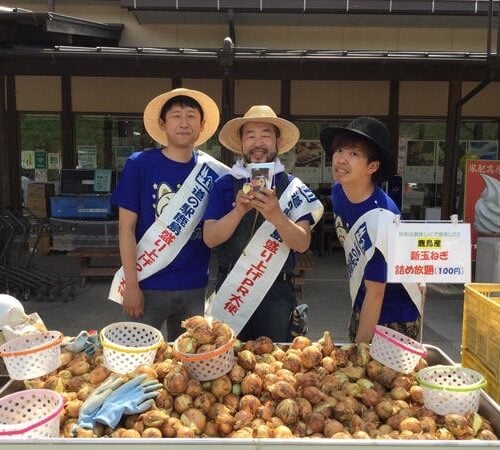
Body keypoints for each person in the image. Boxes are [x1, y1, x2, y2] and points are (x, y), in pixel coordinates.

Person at [108, 88, 229, 341]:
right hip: (147, 282)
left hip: (194, 286)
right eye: (176, 116)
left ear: (202, 124)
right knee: (136, 359)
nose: (184, 123)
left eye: (191, 116)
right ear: (163, 123)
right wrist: (131, 285)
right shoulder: (140, 164)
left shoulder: (212, 172)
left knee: (186, 368)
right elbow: (125, 229)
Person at [203, 105, 323, 341]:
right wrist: (238, 211)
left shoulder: (292, 187)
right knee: (229, 365)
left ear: (277, 142)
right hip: (232, 291)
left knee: (277, 367)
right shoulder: (225, 184)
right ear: (241, 143)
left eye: (266, 135)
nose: (258, 143)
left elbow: (302, 243)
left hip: (277, 295)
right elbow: (210, 238)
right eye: (250, 136)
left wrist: (277, 215)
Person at [320, 117, 422, 343]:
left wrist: (360, 348)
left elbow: (377, 293)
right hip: (362, 302)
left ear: (372, 167)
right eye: (339, 150)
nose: (341, 159)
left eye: (354, 154)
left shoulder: (382, 220)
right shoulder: (339, 191)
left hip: (395, 316)